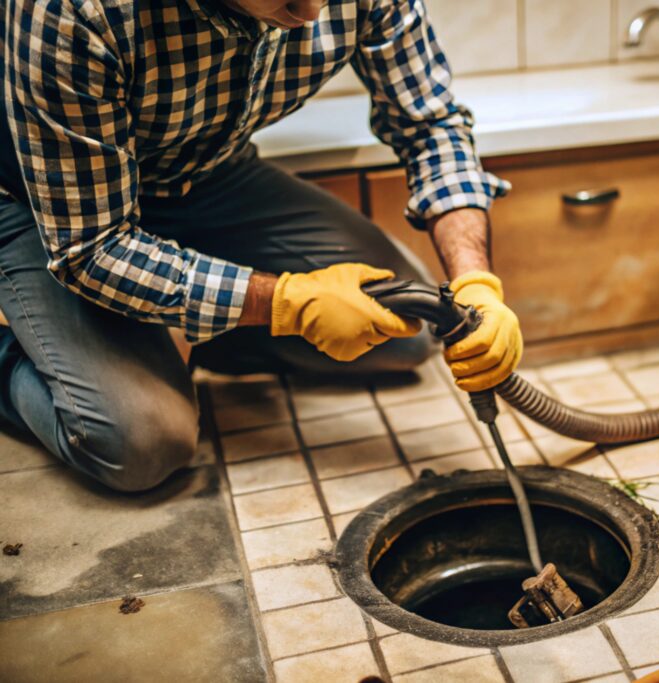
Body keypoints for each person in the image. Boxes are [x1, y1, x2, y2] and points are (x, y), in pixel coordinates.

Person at [0, 0, 523, 491]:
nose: (312, 13)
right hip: (47, 200)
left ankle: (170, 332)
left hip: (204, 174)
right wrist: (287, 304)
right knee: (143, 443)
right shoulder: (75, 11)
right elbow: (94, 247)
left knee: (405, 332)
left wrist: (475, 282)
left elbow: (431, 127)